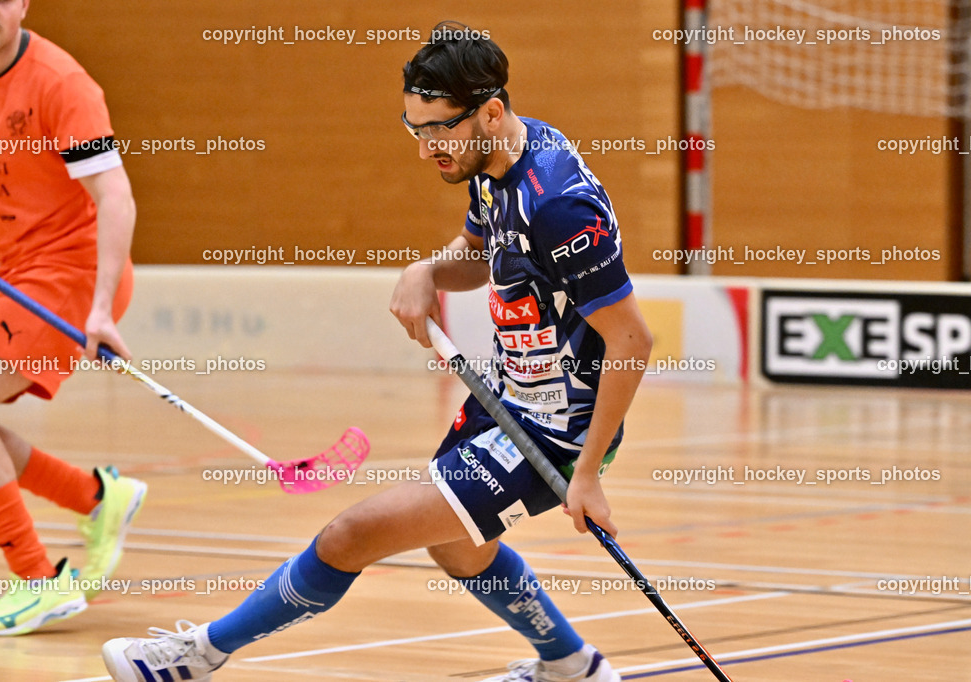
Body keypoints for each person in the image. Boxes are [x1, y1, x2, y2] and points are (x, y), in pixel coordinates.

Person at [101, 22, 650, 682]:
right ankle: (572, 666)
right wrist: (428, 270)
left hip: (558, 436)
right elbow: (480, 254)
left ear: (491, 112)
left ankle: (196, 657)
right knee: (459, 551)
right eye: (414, 128)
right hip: (507, 400)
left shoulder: (558, 206)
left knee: (351, 536)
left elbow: (631, 340)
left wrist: (586, 473)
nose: (425, 149)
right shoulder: (496, 162)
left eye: (438, 130)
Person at [0, 0, 145, 635]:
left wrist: (100, 308)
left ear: (25, 5)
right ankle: (95, 498)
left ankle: (37, 581)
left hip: (73, 274)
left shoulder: (61, 85)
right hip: (14, 270)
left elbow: (115, 195)